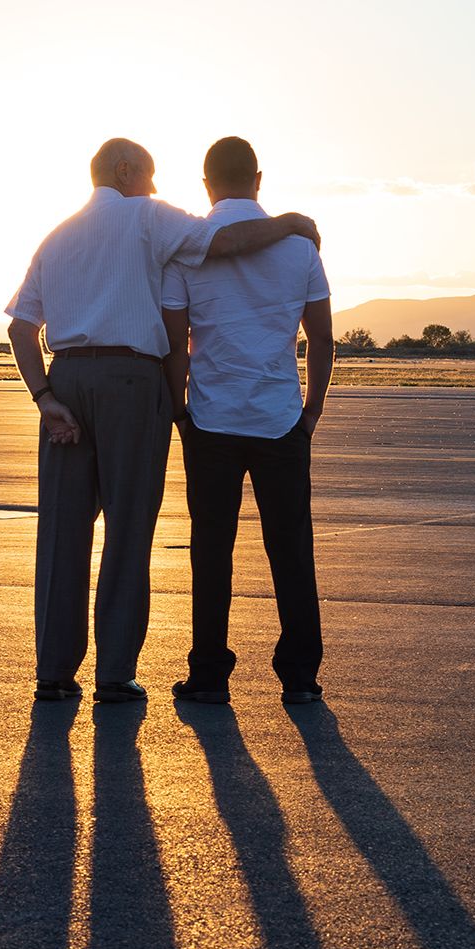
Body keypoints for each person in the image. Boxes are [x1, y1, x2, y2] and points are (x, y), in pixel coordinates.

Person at [6, 138, 321, 704]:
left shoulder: (55, 236)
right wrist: (291, 223)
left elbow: (20, 327)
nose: (154, 187)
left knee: (61, 530)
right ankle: (114, 674)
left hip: (69, 379)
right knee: (128, 529)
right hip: (131, 381)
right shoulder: (150, 215)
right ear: (127, 172)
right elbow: (225, 240)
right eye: (149, 176)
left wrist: (45, 397)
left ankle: (53, 674)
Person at [162, 135, 334, 706]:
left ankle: (209, 674)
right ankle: (301, 676)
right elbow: (321, 339)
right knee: (291, 550)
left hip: (211, 418)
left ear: (206, 184)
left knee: (211, 551)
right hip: (280, 418)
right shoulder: (300, 249)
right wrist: (311, 412)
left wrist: (180, 409)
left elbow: (176, 343)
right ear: (258, 179)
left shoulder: (188, 251)